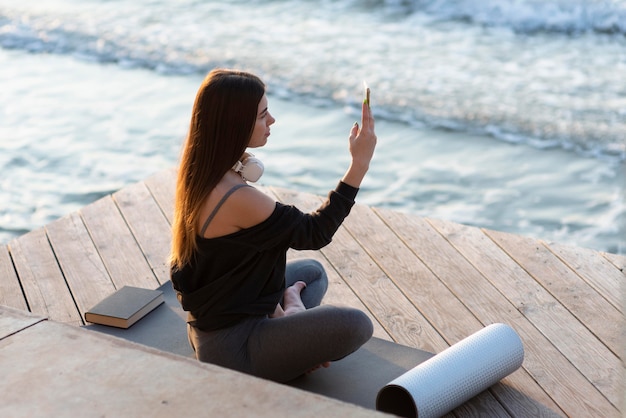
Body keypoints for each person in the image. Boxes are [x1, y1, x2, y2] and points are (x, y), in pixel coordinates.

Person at [169, 68, 377, 383]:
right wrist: (359, 164)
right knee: (357, 325)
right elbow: (314, 232)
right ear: (236, 125)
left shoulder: (203, 173)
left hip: (218, 323)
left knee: (311, 273)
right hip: (233, 351)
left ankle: (289, 327)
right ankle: (290, 331)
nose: (272, 121)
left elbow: (243, 259)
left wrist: (280, 312)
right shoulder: (237, 197)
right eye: (263, 115)